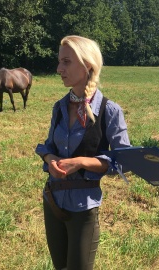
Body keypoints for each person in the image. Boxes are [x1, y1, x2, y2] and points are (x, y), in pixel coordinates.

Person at [35, 35, 131, 270]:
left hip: (83, 207)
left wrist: (81, 162)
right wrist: (50, 159)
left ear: (87, 65)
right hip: (53, 201)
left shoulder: (109, 110)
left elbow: (124, 161)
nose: (59, 69)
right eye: (59, 62)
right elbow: (47, 146)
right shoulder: (59, 107)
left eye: (66, 62)